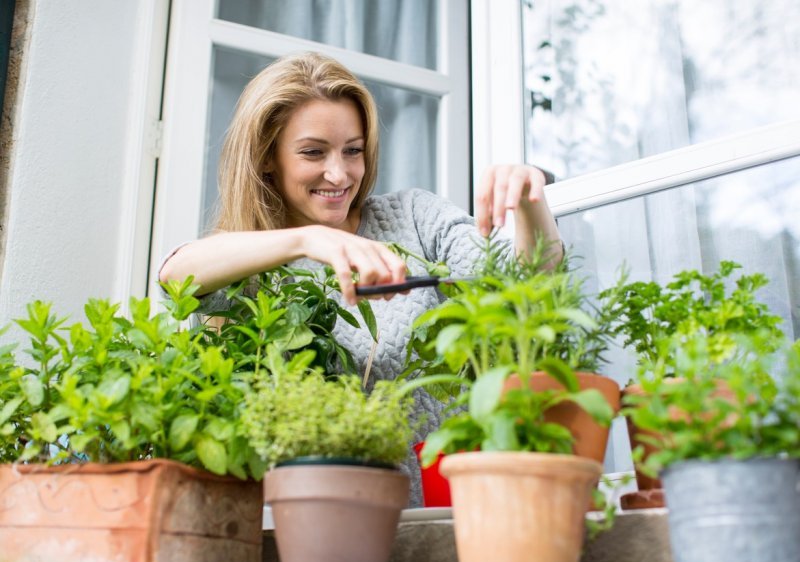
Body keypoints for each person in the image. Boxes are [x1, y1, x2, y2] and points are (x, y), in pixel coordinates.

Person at [159, 51, 562, 506]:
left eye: (353, 150)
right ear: (267, 158)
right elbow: (176, 274)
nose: (340, 173)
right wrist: (307, 240)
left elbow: (525, 280)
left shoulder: (411, 217)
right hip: (325, 525)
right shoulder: (248, 268)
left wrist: (529, 199)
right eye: (313, 152)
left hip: (453, 518)